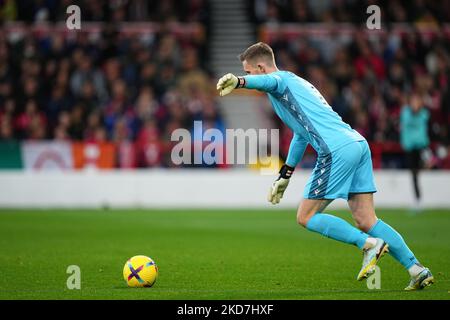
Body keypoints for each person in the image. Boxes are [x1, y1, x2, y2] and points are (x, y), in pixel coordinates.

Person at [216, 42, 434, 290]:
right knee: (366, 218)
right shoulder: (296, 85)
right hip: (357, 144)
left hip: (336, 150)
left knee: (306, 216)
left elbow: (269, 82)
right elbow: (301, 134)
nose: (248, 77)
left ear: (260, 67)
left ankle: (368, 245)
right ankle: (416, 269)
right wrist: (285, 174)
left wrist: (239, 82)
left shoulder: (279, 81)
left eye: (249, 72)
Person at [400, 94, 430, 211]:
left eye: (417, 102)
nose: (415, 105)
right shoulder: (406, 113)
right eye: (413, 102)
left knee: (420, 172)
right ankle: (417, 199)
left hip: (421, 147)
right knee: (414, 174)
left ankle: (418, 199)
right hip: (410, 148)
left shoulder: (424, 114)